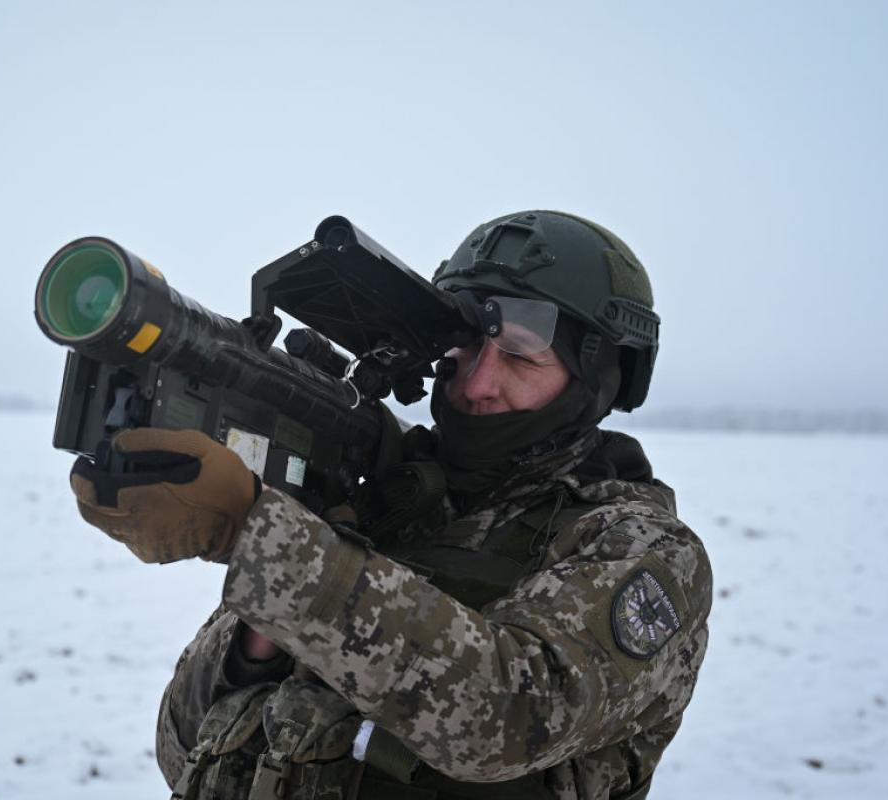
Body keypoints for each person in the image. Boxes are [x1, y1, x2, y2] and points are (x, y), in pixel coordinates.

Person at [69, 211, 713, 800]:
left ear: (593, 379)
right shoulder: (383, 499)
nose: (478, 384)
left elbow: (508, 718)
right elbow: (182, 748)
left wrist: (262, 539)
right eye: (465, 349)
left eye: (520, 355)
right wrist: (263, 632)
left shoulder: (639, 547)